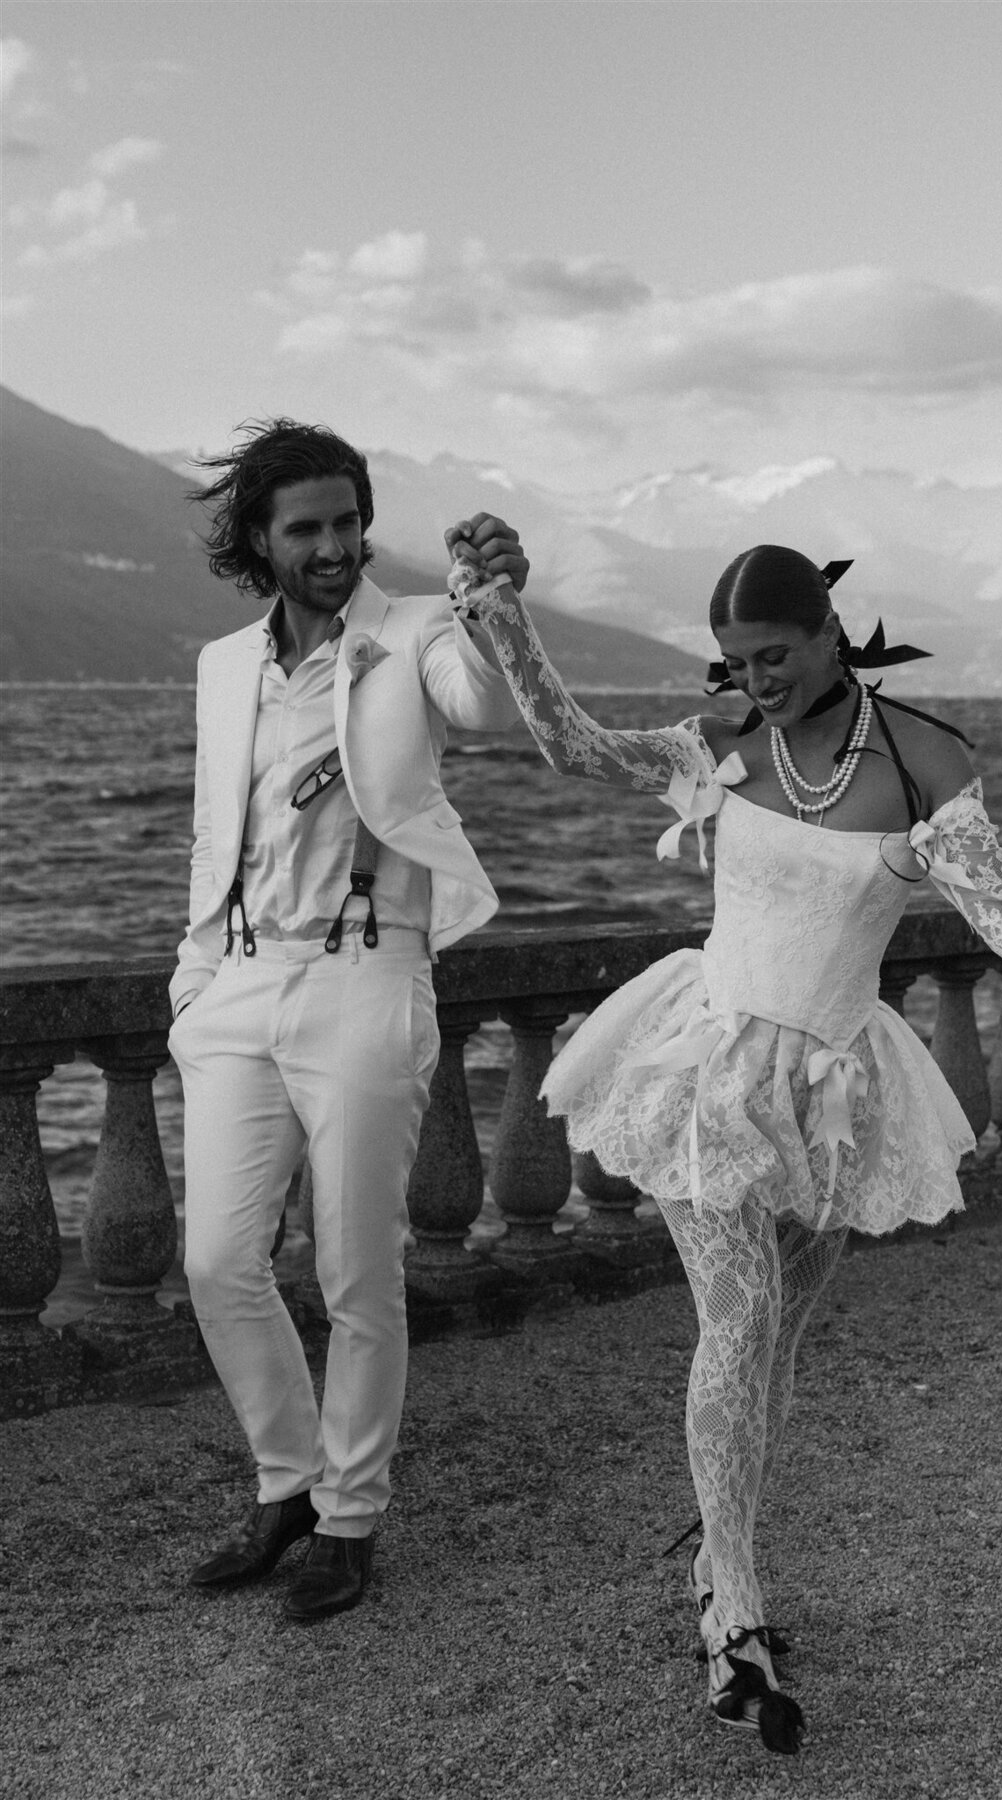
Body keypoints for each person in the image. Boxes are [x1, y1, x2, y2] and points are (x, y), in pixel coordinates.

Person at [443, 526, 1002, 1752]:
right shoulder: (730, 741)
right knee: (735, 1322)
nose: (756, 682)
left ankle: (717, 1553)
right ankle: (732, 1614)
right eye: (735, 662)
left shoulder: (923, 760)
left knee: (776, 1338)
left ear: (830, 632)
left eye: (775, 655)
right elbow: (579, 748)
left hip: (833, 1092)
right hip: (707, 1062)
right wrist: (503, 618)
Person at [170, 423, 525, 1621]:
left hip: (368, 976)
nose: (331, 547)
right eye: (304, 529)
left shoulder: (416, 629)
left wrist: (492, 604)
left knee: (355, 1267)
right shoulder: (225, 666)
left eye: (345, 523)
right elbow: (219, 833)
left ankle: (351, 1516)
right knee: (219, 1260)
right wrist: (192, 982)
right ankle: (286, 1481)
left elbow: (478, 704)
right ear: (261, 542)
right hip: (236, 983)